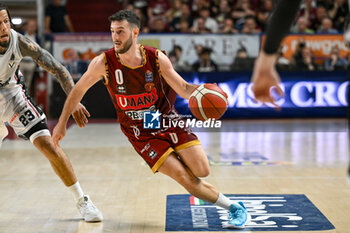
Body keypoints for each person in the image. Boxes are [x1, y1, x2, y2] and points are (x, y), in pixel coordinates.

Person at [52, 10, 251, 229]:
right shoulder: (103, 63)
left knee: (201, 170)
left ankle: (184, 160)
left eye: (120, 31)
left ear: (135, 32)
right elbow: (77, 90)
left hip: (164, 118)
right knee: (185, 179)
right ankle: (234, 207)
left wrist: (204, 92)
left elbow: (183, 88)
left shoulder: (155, 58)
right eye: (112, 32)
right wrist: (62, 124)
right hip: (140, 131)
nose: (115, 37)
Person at [0, 3, 102, 222]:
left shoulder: (20, 42)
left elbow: (58, 68)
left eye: (6, 21)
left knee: (48, 144)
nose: (3, 28)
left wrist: (74, 101)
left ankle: (82, 200)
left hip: (12, 95)